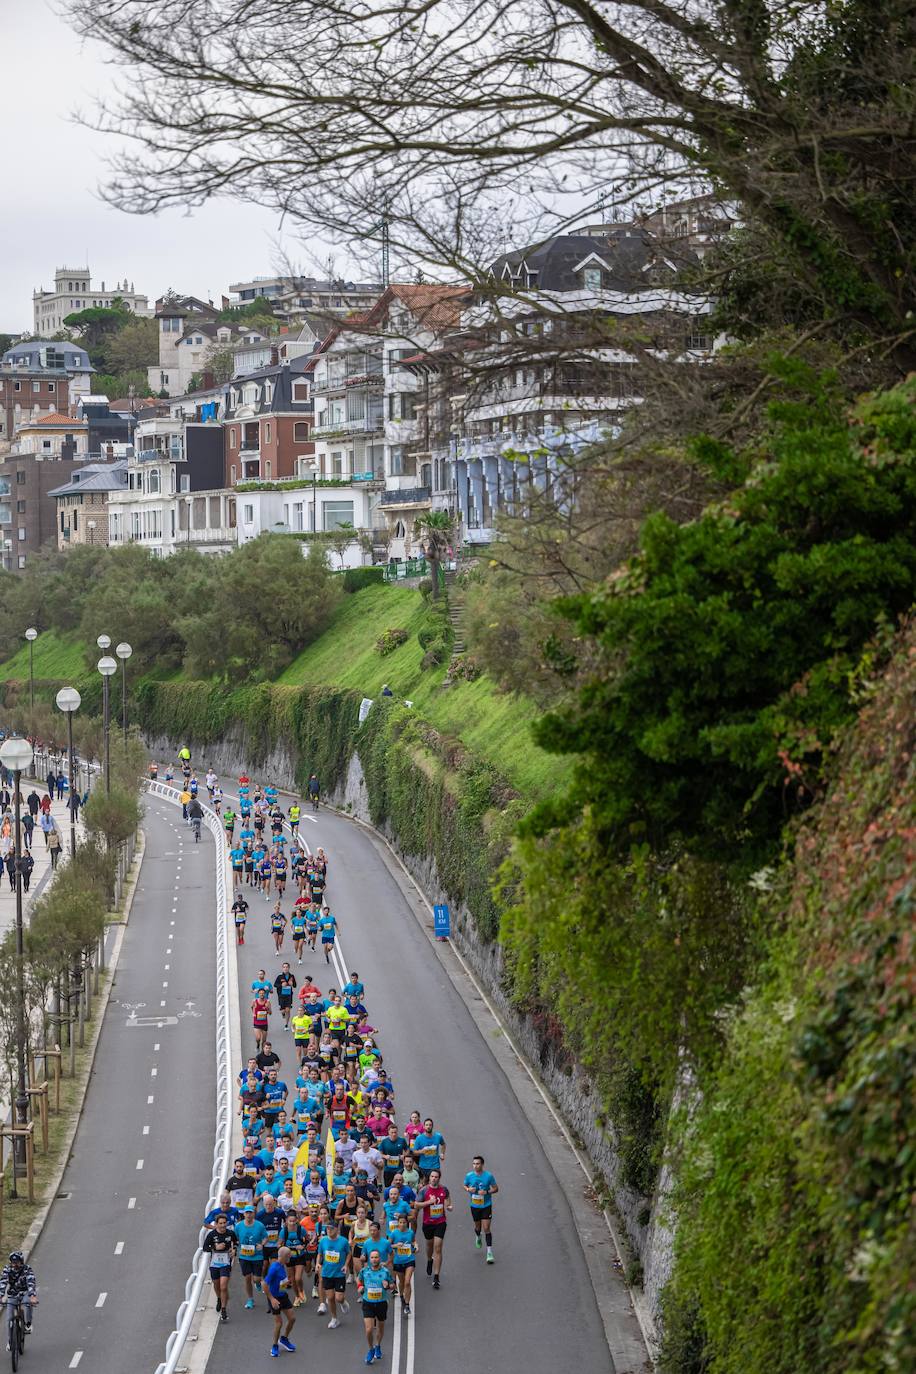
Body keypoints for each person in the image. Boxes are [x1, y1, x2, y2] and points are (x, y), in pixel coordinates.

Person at [415, 1167, 452, 1289]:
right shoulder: (424, 1190)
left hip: (440, 1222)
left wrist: (449, 1206)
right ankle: (429, 1260)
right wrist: (428, 1203)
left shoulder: (444, 1189)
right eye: (432, 1176)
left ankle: (436, 1277)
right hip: (428, 1223)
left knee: (438, 1247)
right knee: (429, 1245)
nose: (434, 1179)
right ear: (429, 1178)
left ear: (439, 1178)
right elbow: (416, 1205)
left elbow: (447, 1199)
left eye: (436, 1177)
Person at [357, 1248, 393, 1364]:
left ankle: (378, 1345)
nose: (374, 1259)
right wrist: (360, 1287)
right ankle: (371, 1349)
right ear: (369, 1259)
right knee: (369, 1329)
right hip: (368, 1303)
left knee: (380, 1328)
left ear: (379, 1258)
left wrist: (388, 1285)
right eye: (372, 1257)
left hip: (381, 1303)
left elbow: (392, 1285)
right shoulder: (364, 1271)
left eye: (376, 1257)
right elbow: (359, 1279)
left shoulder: (385, 1272)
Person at [202, 1212, 237, 1322]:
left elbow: (236, 1242)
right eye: (220, 1223)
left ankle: (223, 1309)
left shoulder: (230, 1233)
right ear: (216, 1224)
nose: (222, 1225)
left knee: (223, 1286)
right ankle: (219, 1298)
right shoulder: (212, 1235)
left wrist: (234, 1250)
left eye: (224, 1223)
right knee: (217, 1285)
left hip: (226, 1263)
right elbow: (205, 1247)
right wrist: (214, 1247)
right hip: (214, 1264)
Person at [316, 1218, 350, 1329]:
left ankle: (343, 1302)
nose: (329, 1231)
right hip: (326, 1273)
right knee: (330, 1298)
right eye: (327, 1229)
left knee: (339, 1298)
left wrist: (345, 1265)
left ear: (337, 1229)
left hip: (339, 1273)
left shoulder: (344, 1241)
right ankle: (334, 1318)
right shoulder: (323, 1241)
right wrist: (317, 1264)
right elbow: (320, 1254)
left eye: (331, 1229)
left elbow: (349, 1254)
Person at [463, 1155, 498, 1262]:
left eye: (477, 1164)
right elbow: (464, 1185)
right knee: (478, 1228)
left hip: (486, 1205)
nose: (475, 1166)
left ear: (482, 1164)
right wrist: (468, 1189)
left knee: (486, 1228)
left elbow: (496, 1188)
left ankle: (489, 1253)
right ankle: (478, 1236)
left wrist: (486, 1192)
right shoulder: (469, 1176)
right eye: (474, 1164)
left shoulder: (488, 1176)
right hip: (474, 1206)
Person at [0, 1251, 38, 1341]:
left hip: (25, 1293)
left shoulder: (27, 1269)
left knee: (28, 1303)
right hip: (12, 1295)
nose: (14, 1265)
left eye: (17, 1262)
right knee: (9, 1319)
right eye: (13, 1262)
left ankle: (28, 1324)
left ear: (21, 1261)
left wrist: (32, 1296)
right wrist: (1, 1295)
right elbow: (3, 1282)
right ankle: (10, 1341)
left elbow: (31, 1282)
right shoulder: (7, 1269)